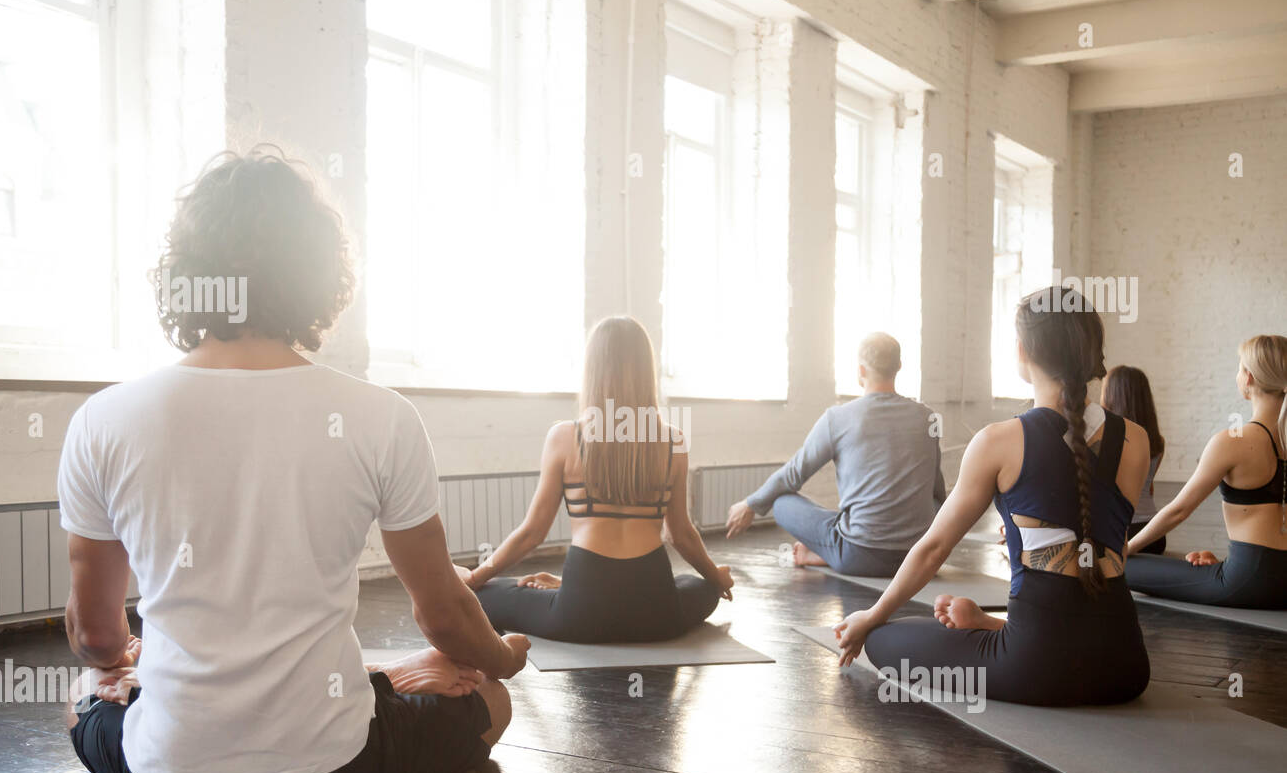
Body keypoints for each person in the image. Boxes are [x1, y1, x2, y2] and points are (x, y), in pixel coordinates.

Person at [60, 147, 529, 773]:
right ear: (317, 274)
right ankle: (383, 686)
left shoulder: (103, 419)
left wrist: (126, 663)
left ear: (188, 274)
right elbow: (448, 619)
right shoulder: (381, 416)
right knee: (492, 703)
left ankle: (379, 682)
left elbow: (97, 635)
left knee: (77, 697)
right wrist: (506, 660)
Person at [830, 288, 1152, 707]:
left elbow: (933, 548)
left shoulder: (998, 441)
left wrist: (871, 618)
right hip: (1125, 667)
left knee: (885, 639)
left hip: (1037, 668)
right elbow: (1112, 546)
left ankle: (996, 631)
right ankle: (991, 625)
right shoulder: (1136, 438)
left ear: (1022, 350)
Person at [465, 316, 733, 643]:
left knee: (485, 594)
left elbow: (532, 533)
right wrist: (716, 577)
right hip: (657, 614)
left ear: (592, 370)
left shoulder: (564, 436)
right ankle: (569, 587)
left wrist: (477, 576)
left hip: (580, 613)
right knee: (702, 586)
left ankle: (566, 588)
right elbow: (681, 535)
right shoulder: (672, 440)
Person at [724, 332, 945, 577]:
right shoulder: (928, 417)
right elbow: (937, 490)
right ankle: (828, 552)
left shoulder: (838, 418)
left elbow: (794, 474)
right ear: (899, 367)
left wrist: (750, 504)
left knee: (780, 502)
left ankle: (828, 553)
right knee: (931, 503)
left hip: (859, 556)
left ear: (861, 370)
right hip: (920, 559)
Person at [1124, 335, 1287, 608]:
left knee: (1119, 567)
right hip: (1272, 579)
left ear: (1248, 378)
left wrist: (1126, 548)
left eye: (1239, 367)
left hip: (1250, 580)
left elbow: (1179, 510)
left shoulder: (1233, 440)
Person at [1101, 365, 1167, 554]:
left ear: (1112, 396)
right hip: (1153, 533)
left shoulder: (1104, 438)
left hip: (1121, 533)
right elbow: (1149, 488)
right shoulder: (1158, 442)